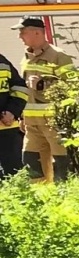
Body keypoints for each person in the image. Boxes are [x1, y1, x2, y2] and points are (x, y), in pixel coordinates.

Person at [16, 17, 76, 183]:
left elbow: (74, 85)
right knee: (31, 162)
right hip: (31, 123)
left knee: (61, 163)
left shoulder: (59, 56)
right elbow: (27, 90)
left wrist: (45, 84)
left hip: (54, 121)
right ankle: (40, 201)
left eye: (23, 32)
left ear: (37, 32)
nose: (20, 36)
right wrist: (22, 116)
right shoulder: (26, 57)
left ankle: (64, 198)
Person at [0, 47, 29, 177]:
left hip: (7, 128)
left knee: (15, 173)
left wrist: (12, 111)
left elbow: (20, 87)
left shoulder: (2, 62)